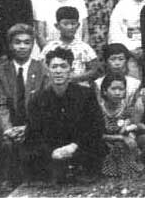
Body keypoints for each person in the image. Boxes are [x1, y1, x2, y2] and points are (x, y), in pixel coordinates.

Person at [23, 48, 107, 183]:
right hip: (52, 151)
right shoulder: (37, 99)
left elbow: (97, 126)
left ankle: (82, 170)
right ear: (48, 70)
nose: (58, 71)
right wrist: (52, 152)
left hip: (78, 147)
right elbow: (34, 133)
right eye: (54, 67)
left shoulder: (86, 94)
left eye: (63, 66)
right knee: (30, 151)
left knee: (97, 144)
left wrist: (74, 146)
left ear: (70, 69)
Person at [0, 24, 49, 185]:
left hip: (35, 125)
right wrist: (8, 129)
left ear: (33, 45)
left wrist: (28, 128)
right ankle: (10, 183)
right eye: (17, 42)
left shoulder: (43, 69)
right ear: (10, 45)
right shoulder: (0, 71)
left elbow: (46, 105)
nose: (22, 46)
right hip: (12, 126)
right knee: (7, 143)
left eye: (27, 42)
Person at [41, 6, 100, 87]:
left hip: (79, 88)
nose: (70, 27)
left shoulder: (84, 48)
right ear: (57, 26)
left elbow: (94, 69)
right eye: (65, 24)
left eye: (73, 23)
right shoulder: (50, 47)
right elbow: (42, 66)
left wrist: (77, 77)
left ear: (78, 25)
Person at [99, 74, 144, 177]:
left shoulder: (127, 109)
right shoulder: (98, 110)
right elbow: (97, 133)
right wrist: (120, 137)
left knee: (125, 145)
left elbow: (133, 126)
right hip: (104, 141)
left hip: (122, 141)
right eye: (113, 89)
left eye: (121, 89)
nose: (117, 93)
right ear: (105, 91)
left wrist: (128, 132)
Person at [94, 43, 142, 110]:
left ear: (126, 61)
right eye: (112, 59)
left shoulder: (135, 83)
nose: (117, 63)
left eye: (121, 59)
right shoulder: (98, 83)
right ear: (106, 61)